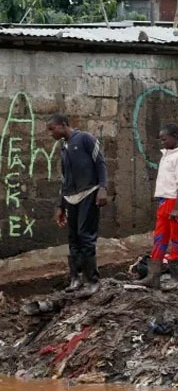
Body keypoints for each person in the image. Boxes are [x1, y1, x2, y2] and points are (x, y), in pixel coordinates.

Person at [49, 114, 109, 295]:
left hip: (88, 194)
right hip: (70, 198)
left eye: (52, 129)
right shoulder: (64, 147)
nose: (51, 133)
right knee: (73, 238)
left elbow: (101, 163)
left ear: (63, 125)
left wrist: (102, 188)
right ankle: (75, 279)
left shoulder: (85, 139)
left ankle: (93, 281)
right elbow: (64, 178)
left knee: (86, 236)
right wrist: (61, 206)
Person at [136, 123, 178, 290]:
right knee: (160, 237)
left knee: (176, 238)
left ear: (174, 137)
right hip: (164, 200)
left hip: (175, 201)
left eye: (164, 139)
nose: (162, 142)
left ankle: (176, 278)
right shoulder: (166, 155)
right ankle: (153, 276)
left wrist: (176, 207)